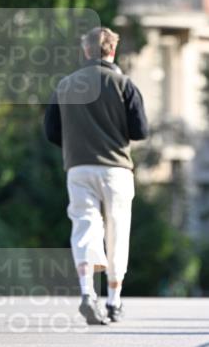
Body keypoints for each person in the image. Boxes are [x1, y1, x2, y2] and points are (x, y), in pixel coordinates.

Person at [44, 26, 149, 325]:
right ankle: (114, 301)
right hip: (116, 169)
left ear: (87, 51)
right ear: (112, 50)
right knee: (118, 230)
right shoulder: (124, 84)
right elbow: (140, 130)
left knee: (85, 226)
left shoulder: (65, 85)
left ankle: (87, 292)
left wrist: (77, 143)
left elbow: (51, 131)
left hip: (78, 167)